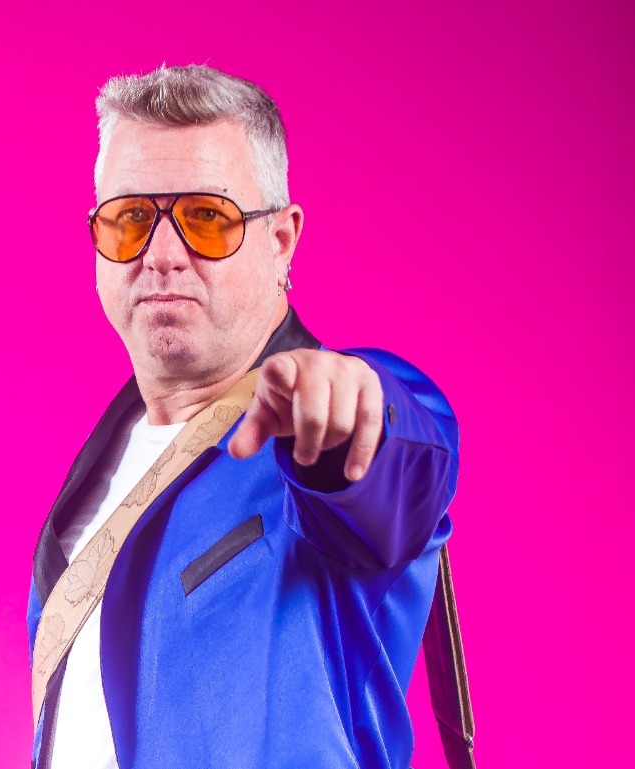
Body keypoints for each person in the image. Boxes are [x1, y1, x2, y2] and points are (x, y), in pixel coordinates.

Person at [27, 64, 460, 769]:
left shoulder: (315, 439)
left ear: (281, 240)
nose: (162, 255)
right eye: (130, 219)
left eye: (207, 218)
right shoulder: (103, 468)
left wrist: (360, 407)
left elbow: (405, 457)